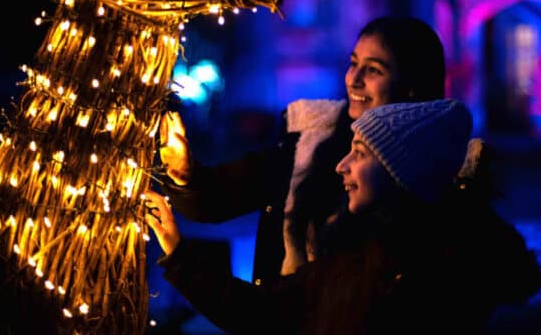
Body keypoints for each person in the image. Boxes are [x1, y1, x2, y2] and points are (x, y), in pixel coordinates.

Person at [145, 99, 541, 334]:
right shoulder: (351, 250)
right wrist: (180, 254)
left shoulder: (446, 276)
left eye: (361, 153)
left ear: (401, 171)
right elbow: (268, 311)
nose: (341, 166)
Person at [157, 16, 453, 282]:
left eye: (373, 70)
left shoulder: (439, 174)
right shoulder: (309, 139)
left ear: (412, 86)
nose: (354, 79)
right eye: (353, 64)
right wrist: (185, 174)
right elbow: (217, 197)